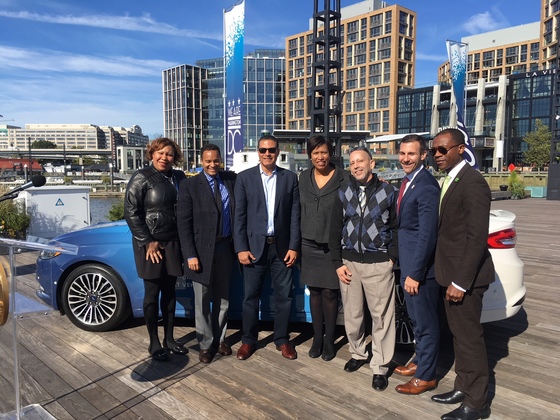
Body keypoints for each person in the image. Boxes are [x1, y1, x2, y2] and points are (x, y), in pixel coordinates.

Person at [430, 128, 494, 420]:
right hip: (449, 274)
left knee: (469, 339)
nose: (437, 155)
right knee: (458, 336)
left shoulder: (473, 183)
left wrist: (460, 281)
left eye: (443, 150)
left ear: (459, 149)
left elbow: (476, 236)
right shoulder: (451, 178)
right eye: (434, 150)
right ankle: (462, 386)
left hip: (463, 280)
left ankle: (477, 403)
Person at [329, 146, 398, 391]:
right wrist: (337, 263)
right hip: (349, 263)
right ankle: (358, 353)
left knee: (382, 317)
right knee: (353, 313)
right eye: (352, 162)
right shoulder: (343, 192)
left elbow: (397, 228)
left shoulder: (389, 192)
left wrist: (391, 258)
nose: (356, 165)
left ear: (372, 163)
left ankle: (380, 365)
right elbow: (334, 228)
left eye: (361, 161)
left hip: (378, 263)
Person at [233, 134, 301, 361]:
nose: (267, 153)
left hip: (281, 248)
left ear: (278, 150)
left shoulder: (290, 178)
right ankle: (248, 340)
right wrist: (240, 247)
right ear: (258, 152)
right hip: (253, 248)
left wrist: (293, 246)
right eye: (263, 150)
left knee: (284, 297)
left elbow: (294, 215)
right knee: (250, 297)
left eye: (271, 149)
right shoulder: (244, 179)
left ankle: (281, 339)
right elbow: (239, 216)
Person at [124, 137, 188, 361]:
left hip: (173, 242)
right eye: (160, 153)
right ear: (152, 154)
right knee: (152, 294)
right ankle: (153, 342)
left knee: (170, 292)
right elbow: (131, 211)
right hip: (150, 244)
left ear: (175, 157)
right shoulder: (141, 177)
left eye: (169, 154)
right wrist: (147, 240)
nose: (164, 157)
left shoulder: (179, 177)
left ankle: (169, 339)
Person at [177, 144, 236, 364]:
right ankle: (204, 344)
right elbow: (183, 224)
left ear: (221, 160)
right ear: (201, 161)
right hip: (200, 253)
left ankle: (220, 340)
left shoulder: (230, 180)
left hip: (225, 249)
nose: (212, 165)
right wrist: (190, 255)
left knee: (223, 300)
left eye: (216, 160)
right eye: (208, 161)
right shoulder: (189, 186)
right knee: (202, 301)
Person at [393, 135, 440, 395]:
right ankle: (420, 361)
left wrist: (415, 273)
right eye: (402, 153)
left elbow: (427, 234)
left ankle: (426, 377)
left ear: (423, 155)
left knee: (426, 324)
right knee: (416, 321)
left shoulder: (426, 186)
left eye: (411, 154)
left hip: (419, 273)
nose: (405, 159)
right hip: (409, 266)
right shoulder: (409, 181)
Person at [299, 135, 348, 361]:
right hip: (308, 243)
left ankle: (329, 339)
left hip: (332, 245)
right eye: (316, 153)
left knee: (330, 292)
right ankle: (317, 337)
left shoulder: (343, 178)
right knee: (315, 292)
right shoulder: (303, 178)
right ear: (310, 155)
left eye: (324, 152)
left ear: (331, 154)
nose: (320, 157)